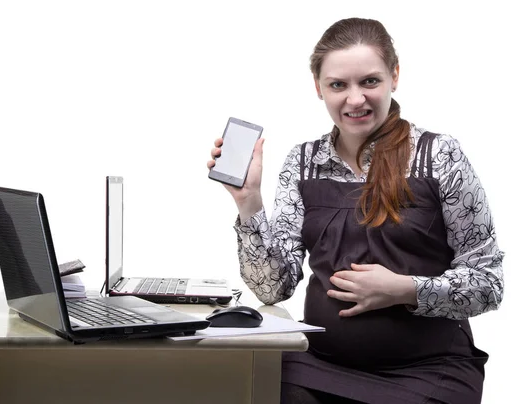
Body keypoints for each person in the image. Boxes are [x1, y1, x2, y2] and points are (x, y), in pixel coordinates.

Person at [207, 17, 504, 404]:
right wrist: (248, 202)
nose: (355, 99)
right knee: (241, 387)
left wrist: (404, 290)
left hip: (429, 371)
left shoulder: (440, 156)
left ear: (394, 76)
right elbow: (272, 287)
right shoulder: (303, 162)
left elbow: (488, 284)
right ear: (318, 88)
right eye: (338, 85)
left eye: (369, 81)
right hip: (319, 366)